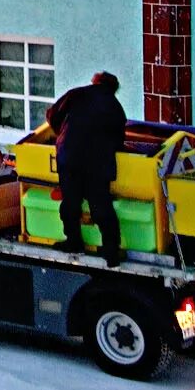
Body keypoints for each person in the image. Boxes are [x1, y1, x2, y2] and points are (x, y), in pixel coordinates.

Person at [47, 71, 127, 265]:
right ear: (113, 89)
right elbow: (119, 140)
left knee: (70, 201)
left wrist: (62, 134)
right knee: (101, 205)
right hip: (98, 161)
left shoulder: (77, 94)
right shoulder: (116, 107)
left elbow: (52, 114)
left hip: (70, 155)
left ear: (96, 82)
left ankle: (73, 242)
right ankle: (111, 251)